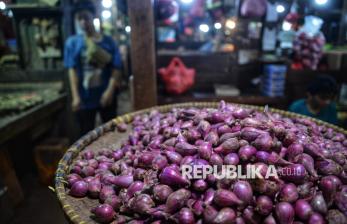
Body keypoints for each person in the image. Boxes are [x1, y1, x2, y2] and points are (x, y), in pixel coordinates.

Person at [64, 2, 122, 136]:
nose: (83, 22)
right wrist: (76, 96)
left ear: (93, 17)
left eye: (86, 17)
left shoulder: (108, 42)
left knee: (111, 131)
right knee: (86, 132)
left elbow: (117, 67)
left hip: (105, 93)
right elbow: (71, 69)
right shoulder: (73, 43)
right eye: (80, 19)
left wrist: (109, 91)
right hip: (85, 97)